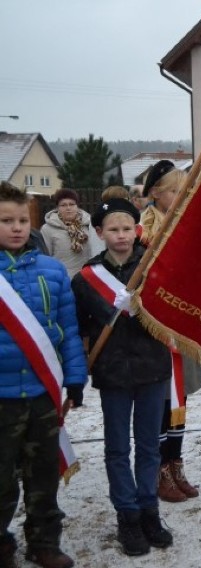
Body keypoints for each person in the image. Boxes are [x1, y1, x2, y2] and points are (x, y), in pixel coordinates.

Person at [72, 199, 173, 557]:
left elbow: (171, 311)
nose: (121, 236)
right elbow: (80, 328)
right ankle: (127, 514)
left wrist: (145, 307)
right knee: (117, 447)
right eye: (113, 230)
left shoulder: (153, 267)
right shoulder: (86, 278)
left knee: (149, 444)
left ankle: (148, 509)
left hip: (152, 369)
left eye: (127, 228)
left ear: (136, 230)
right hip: (113, 372)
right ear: (99, 233)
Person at [0, 181, 86, 568]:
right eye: (5, 220)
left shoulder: (52, 271)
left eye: (21, 219)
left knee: (43, 475)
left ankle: (44, 542)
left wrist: (74, 379)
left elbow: (67, 330)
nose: (16, 228)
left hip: (41, 394)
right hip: (1, 397)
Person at [139, 160, 201, 502]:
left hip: (184, 328)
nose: (180, 196)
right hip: (158, 332)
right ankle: (159, 469)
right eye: (174, 190)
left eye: (183, 190)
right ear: (155, 194)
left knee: (181, 401)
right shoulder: (143, 234)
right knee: (162, 402)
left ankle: (176, 463)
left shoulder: (185, 228)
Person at [40, 188, 100, 277]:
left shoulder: (89, 225)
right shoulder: (47, 229)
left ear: (77, 206)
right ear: (57, 208)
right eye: (63, 205)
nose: (68, 208)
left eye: (72, 204)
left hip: (87, 277)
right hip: (62, 279)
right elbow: (44, 258)